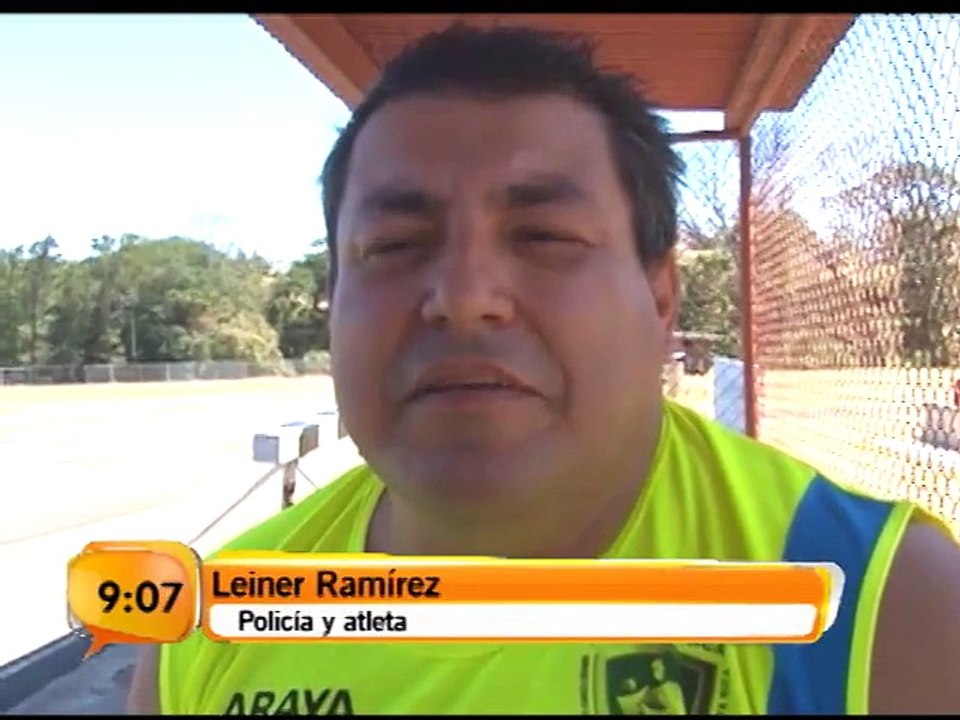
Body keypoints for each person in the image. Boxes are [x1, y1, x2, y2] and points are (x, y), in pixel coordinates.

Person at [128, 23, 960, 714]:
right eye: (393, 247)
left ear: (660, 297)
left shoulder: (883, 611)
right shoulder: (206, 629)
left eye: (545, 237)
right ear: (334, 298)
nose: (462, 297)